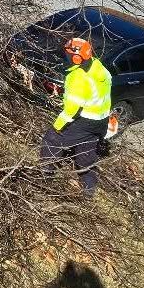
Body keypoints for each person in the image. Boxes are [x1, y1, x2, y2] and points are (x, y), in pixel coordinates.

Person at [40, 37, 112, 197]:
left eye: (68, 55)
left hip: (84, 120)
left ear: (77, 58)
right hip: (101, 120)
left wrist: (58, 126)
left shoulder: (78, 77)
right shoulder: (98, 67)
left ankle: (44, 178)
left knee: (51, 140)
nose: (66, 56)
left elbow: (72, 109)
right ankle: (89, 191)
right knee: (85, 155)